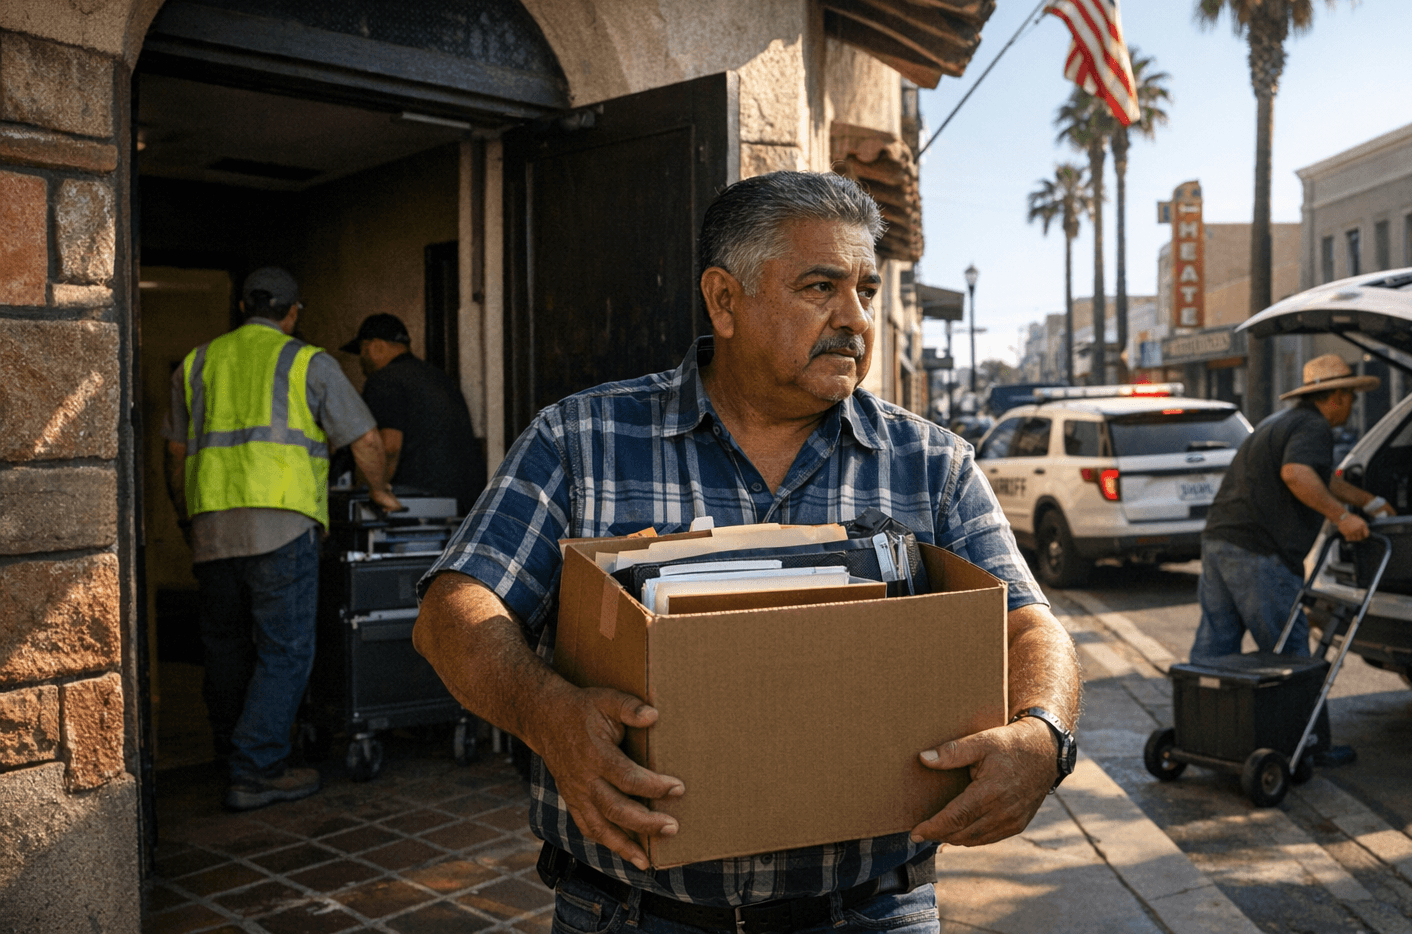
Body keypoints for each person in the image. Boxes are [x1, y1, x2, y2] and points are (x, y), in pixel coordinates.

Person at [412, 172, 1081, 934]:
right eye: (820, 286)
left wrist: (1042, 736)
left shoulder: (932, 464)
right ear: (724, 301)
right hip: (633, 913)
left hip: (871, 912)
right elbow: (452, 611)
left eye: (865, 288)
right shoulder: (583, 441)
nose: (855, 318)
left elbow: (1031, 627)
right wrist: (547, 715)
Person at [164, 266, 402, 810]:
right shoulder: (306, 361)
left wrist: (186, 518)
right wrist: (381, 492)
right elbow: (365, 438)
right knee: (285, 650)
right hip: (283, 525)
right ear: (293, 313)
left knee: (223, 649)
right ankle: (258, 768)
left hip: (211, 528)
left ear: (243, 307)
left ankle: (230, 756)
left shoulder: (195, 364)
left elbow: (174, 456)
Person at [1192, 352, 1395, 765]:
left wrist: (1368, 503)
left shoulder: (1279, 421)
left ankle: (1202, 736)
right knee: (1291, 654)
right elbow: (1297, 475)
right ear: (1333, 397)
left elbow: (1324, 479)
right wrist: (1342, 518)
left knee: (1215, 650)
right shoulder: (1313, 426)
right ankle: (1306, 747)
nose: (1351, 405)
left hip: (1221, 541)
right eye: (1348, 397)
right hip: (1260, 553)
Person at [340, 312, 485, 514]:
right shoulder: (438, 377)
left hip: (418, 503)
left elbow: (388, 447)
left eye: (362, 352)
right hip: (463, 503)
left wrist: (375, 491)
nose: (361, 363)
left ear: (375, 346)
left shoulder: (384, 380)